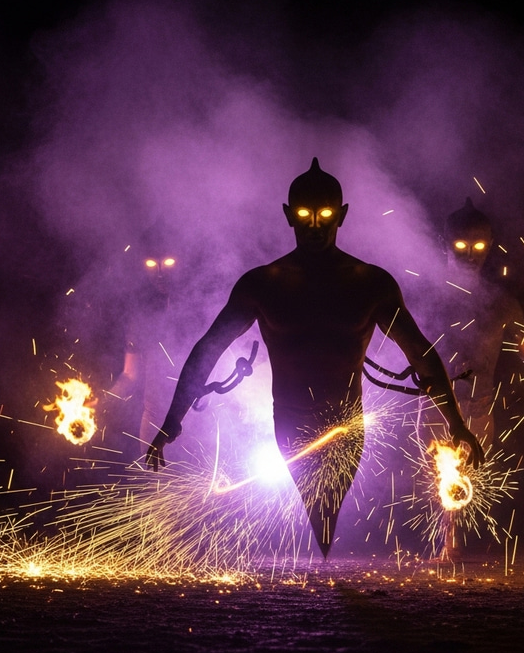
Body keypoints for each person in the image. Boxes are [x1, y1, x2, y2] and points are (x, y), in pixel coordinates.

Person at [145, 158, 484, 557]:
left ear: (341, 215)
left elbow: (419, 352)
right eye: (305, 214)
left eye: (325, 214)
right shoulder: (262, 284)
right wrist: (171, 422)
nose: (315, 224)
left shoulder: (370, 283)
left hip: (347, 423)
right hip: (288, 421)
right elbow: (208, 349)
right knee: (312, 529)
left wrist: (457, 424)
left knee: (328, 526)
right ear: (289, 217)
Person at [428, 198, 524, 449]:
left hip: (479, 419)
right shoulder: (426, 298)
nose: (470, 254)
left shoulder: (503, 305)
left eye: (479, 245)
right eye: (461, 244)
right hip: (433, 416)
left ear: (490, 245)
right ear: (444, 243)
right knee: (427, 484)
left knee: (474, 488)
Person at [104, 223, 187, 447]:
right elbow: (129, 376)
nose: (160, 271)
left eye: (167, 262)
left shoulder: (200, 310)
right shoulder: (141, 317)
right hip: (154, 426)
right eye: (152, 263)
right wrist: (101, 401)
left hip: (196, 423)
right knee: (155, 482)